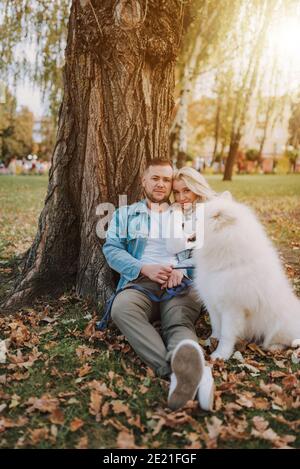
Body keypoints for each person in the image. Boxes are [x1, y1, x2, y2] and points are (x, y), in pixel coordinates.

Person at [102, 159, 215, 411]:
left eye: (166, 179)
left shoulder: (191, 213)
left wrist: (182, 270)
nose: (161, 184)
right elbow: (111, 249)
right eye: (155, 178)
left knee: (178, 321)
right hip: (141, 282)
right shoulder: (126, 214)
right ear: (144, 181)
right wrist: (143, 267)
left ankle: (186, 373)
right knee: (121, 308)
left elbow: (207, 255)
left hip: (181, 282)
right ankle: (180, 372)